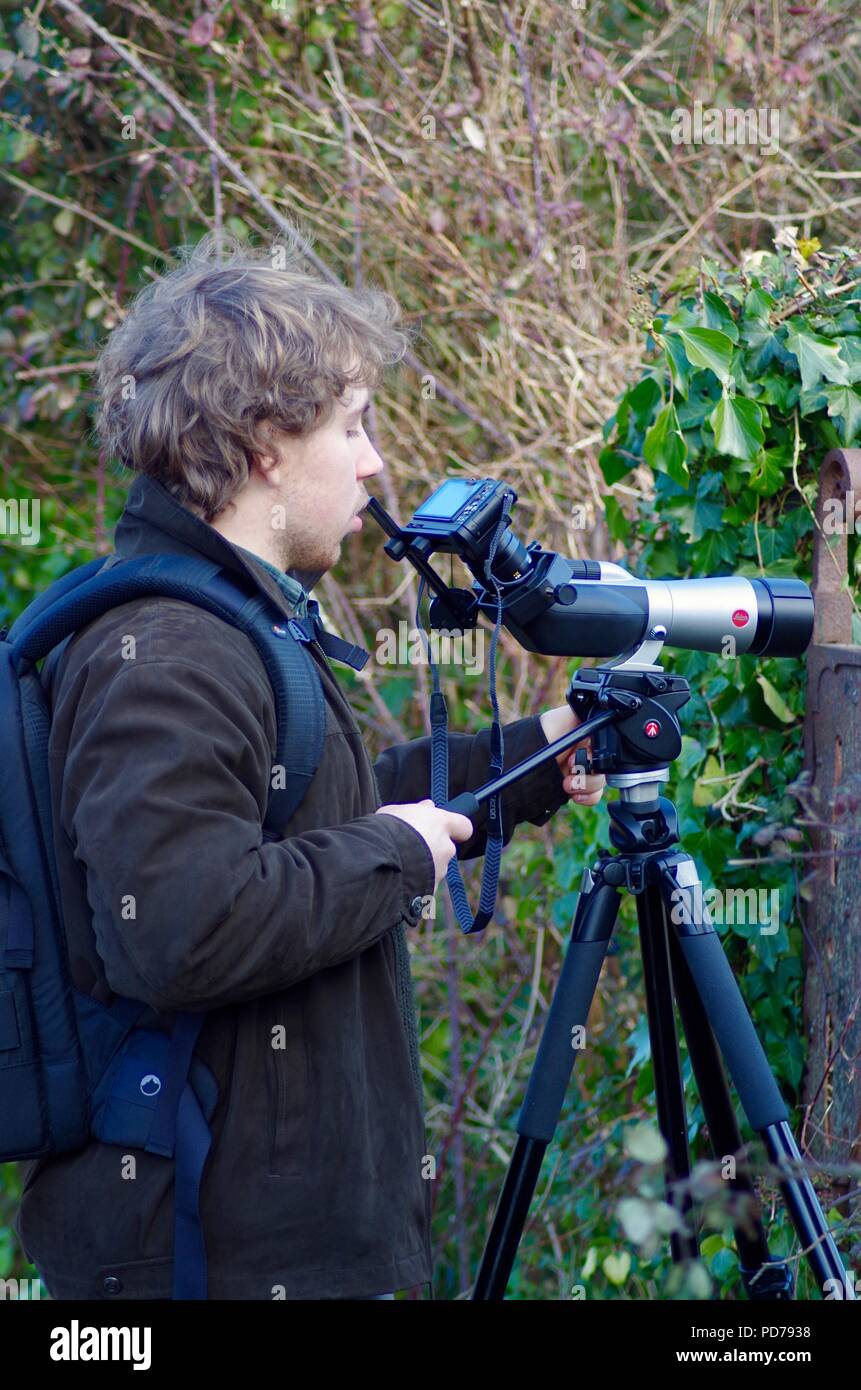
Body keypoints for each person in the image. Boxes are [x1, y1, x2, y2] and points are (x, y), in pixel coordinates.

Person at [14, 233, 605, 1301]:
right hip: (207, 1256)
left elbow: (302, 826)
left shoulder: (227, 623)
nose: (375, 460)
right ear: (262, 445)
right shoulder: (168, 651)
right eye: (351, 424)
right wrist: (400, 857)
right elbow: (185, 925)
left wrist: (524, 759)